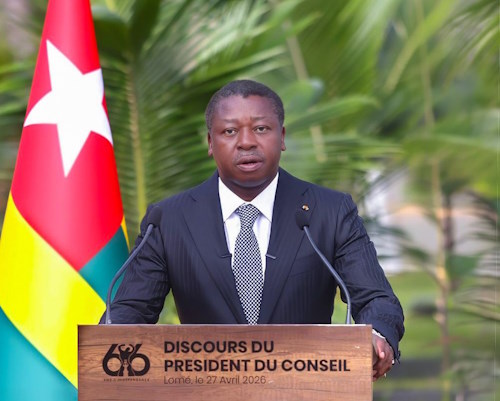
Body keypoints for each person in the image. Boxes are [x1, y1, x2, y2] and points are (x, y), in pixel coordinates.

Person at [102, 79, 404, 381]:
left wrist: (378, 337)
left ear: (281, 137)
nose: (246, 142)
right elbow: (131, 309)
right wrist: (110, 340)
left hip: (304, 388)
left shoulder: (329, 211)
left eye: (260, 128)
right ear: (210, 142)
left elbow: (376, 299)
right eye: (229, 131)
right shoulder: (169, 219)